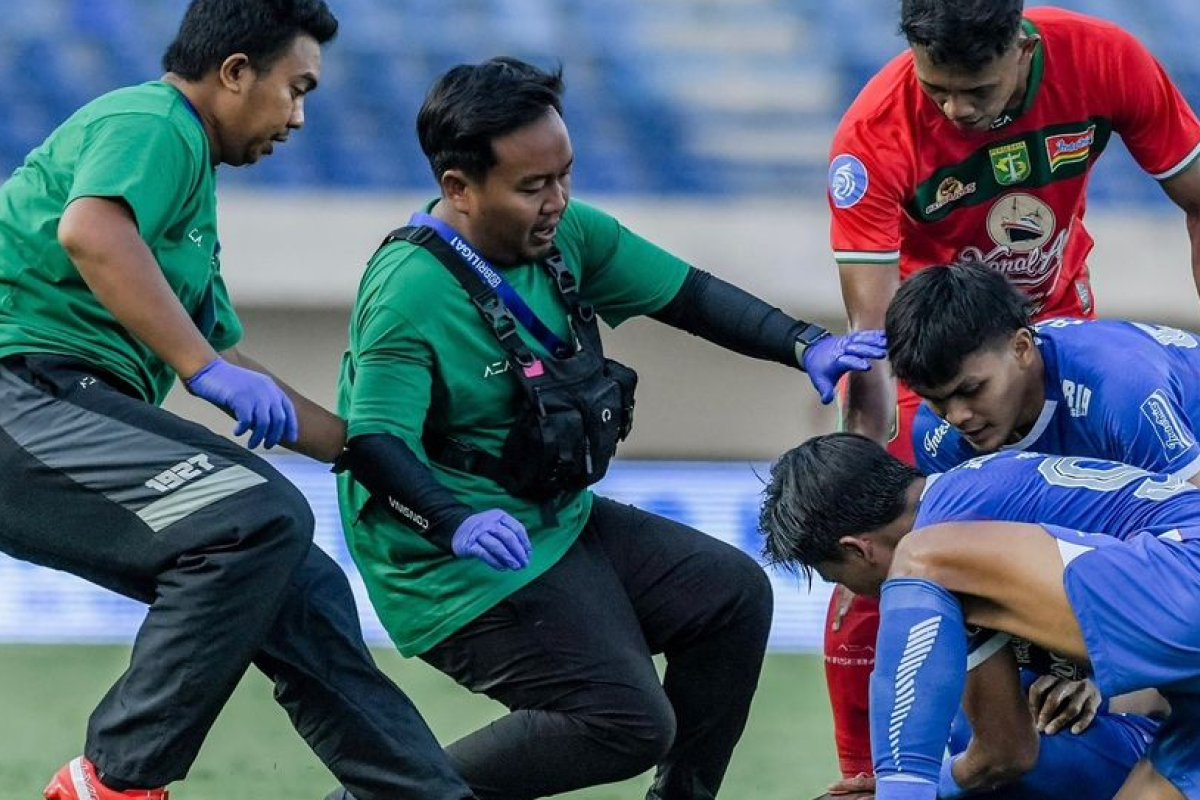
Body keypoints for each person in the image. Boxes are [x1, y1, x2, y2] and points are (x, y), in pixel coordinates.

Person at [333, 56, 887, 800]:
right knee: (625, 721)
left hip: (553, 518)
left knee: (731, 596)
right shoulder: (410, 293)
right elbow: (373, 445)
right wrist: (454, 523)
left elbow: (688, 295)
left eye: (565, 176)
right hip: (445, 555)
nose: (558, 201)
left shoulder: (569, 235)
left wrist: (804, 344)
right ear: (457, 188)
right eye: (534, 187)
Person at [0, 3, 474, 799]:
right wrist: (198, 369)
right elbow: (92, 231)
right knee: (258, 520)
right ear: (234, 72)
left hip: (63, 403)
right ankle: (113, 782)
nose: (297, 117)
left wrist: (386, 458)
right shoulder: (154, 120)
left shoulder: (190, 201)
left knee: (304, 584)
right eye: (296, 89)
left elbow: (225, 356)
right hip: (22, 394)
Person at [824, 0, 1200, 777]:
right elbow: (869, 344)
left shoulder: (1105, 60)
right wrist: (859, 469)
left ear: (1022, 48)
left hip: (1058, 332)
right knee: (885, 547)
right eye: (938, 91)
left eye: (978, 91)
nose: (957, 111)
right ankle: (868, 769)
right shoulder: (873, 134)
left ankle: (1088, 700)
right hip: (934, 357)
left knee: (1132, 527)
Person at [760, 434, 1194, 800]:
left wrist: (904, 787)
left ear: (857, 548)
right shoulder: (974, 512)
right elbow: (1007, 750)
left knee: (926, 582)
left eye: (833, 576)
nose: (852, 593)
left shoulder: (934, 545)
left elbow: (1005, 751)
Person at [887, 260, 1200, 483]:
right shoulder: (936, 436)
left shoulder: (1119, 390)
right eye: (935, 399)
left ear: (1021, 349)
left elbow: (1191, 526)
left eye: (971, 390)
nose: (956, 417)